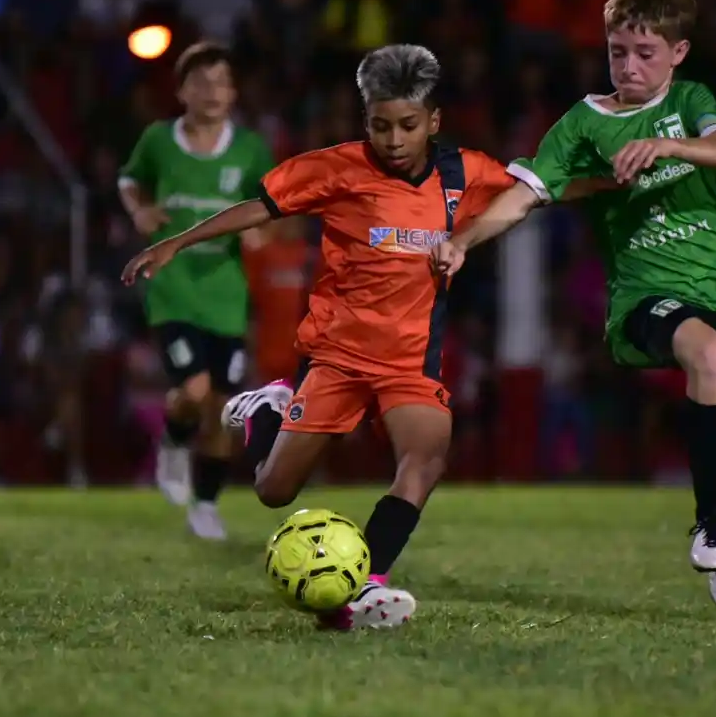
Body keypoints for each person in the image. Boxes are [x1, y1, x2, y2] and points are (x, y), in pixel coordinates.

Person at [123, 44, 516, 630]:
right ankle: (268, 408)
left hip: (410, 361)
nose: (394, 138)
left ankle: (365, 585)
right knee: (272, 490)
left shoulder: (465, 173)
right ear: (366, 122)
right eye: (380, 125)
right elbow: (259, 208)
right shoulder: (336, 169)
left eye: (408, 125)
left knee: (426, 455)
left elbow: (532, 189)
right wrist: (177, 240)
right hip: (337, 357)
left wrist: (619, 175)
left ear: (433, 121)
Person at [432, 0, 716, 611]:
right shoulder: (582, 124)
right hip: (647, 295)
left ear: (679, 53)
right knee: (710, 357)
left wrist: (666, 144)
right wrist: (464, 240)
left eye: (645, 53)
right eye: (618, 52)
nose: (629, 66)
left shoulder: (692, 102)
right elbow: (524, 195)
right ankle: (709, 523)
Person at [118, 42, 274, 540]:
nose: (213, 92)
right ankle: (172, 441)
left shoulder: (250, 148)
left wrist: (260, 232)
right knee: (195, 389)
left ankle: (205, 504)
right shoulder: (159, 141)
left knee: (223, 409)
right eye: (202, 83)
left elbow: (269, 207)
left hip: (225, 294)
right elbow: (129, 180)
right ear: (182, 90)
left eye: (222, 83)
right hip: (174, 288)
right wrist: (140, 211)